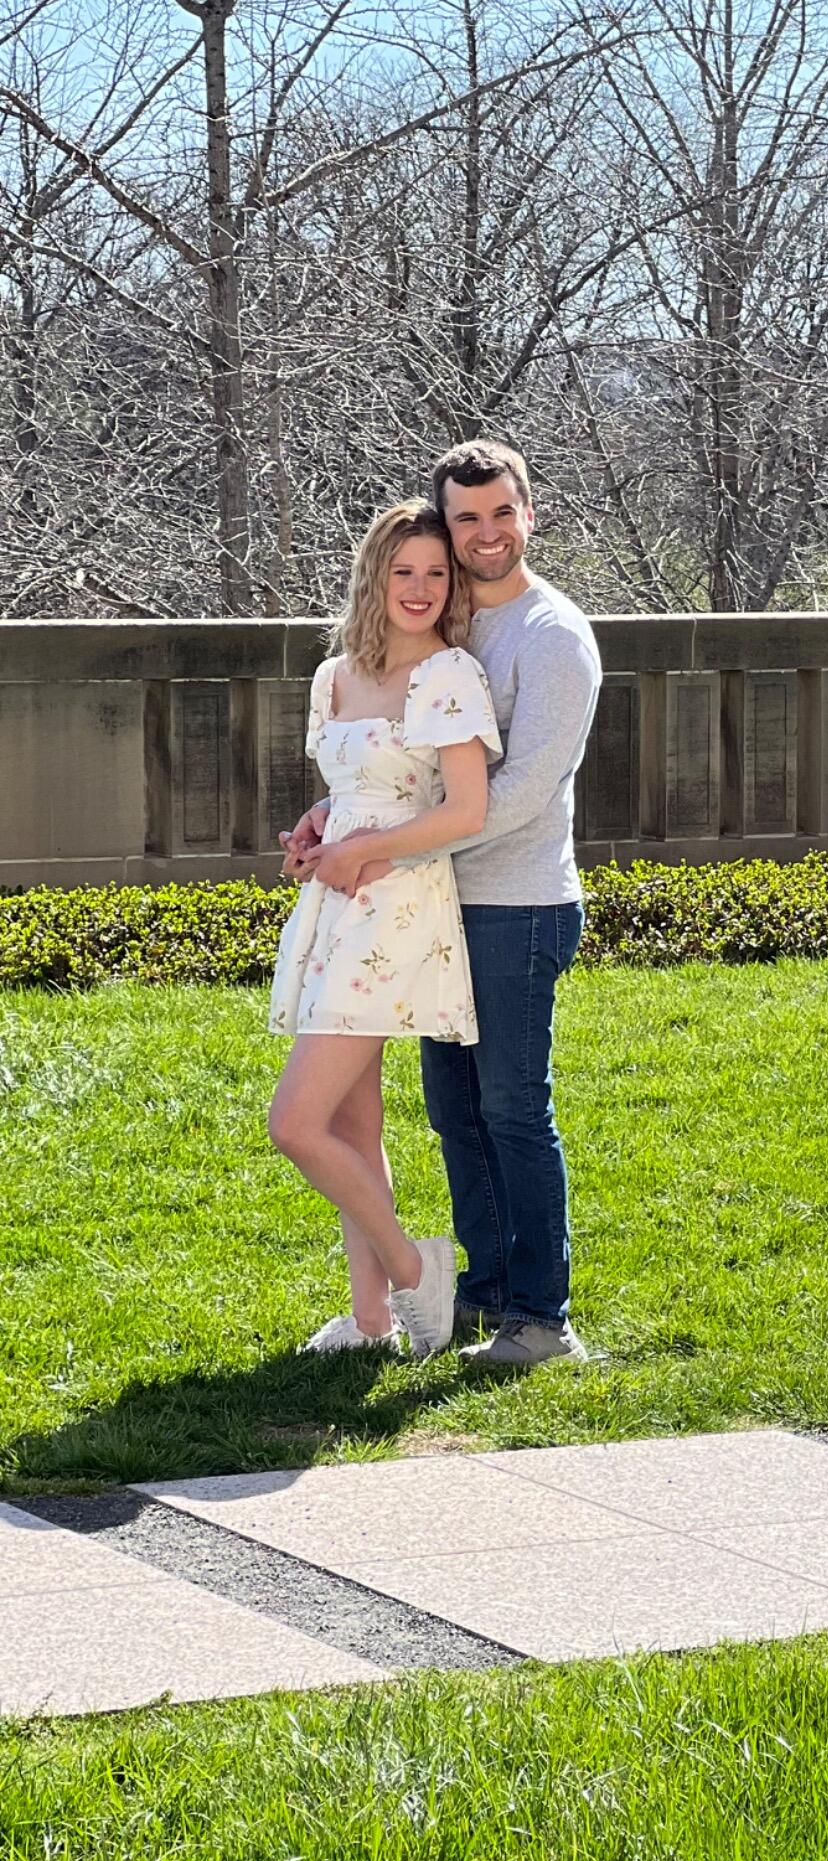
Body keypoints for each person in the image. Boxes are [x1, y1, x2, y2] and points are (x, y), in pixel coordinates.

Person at [283, 439, 601, 1369]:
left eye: (502, 513)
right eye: (467, 517)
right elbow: (402, 767)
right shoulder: (454, 623)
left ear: (530, 514)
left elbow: (517, 797)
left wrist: (371, 850)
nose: (486, 533)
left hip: (517, 902)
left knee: (511, 1108)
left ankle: (542, 1318)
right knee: (454, 1115)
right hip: (433, 903)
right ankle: (480, 1298)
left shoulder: (551, 638)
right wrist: (331, 820)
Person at [267, 500, 501, 1358]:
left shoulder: (448, 675)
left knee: (296, 1124)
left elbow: (464, 810)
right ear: (374, 573)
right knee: (355, 1127)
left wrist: (363, 848)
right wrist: (318, 826)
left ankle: (414, 1273)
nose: (421, 588)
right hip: (336, 900)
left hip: (397, 908)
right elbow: (357, 782)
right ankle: (370, 1325)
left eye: (437, 574)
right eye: (404, 571)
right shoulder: (333, 677)